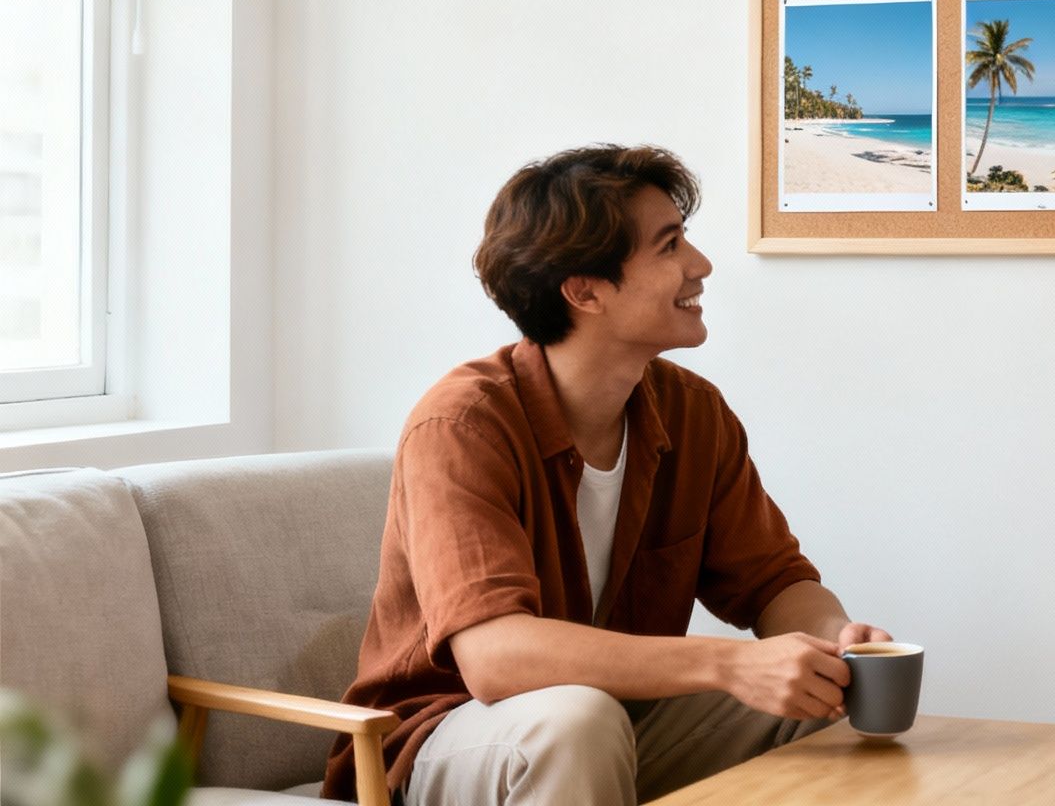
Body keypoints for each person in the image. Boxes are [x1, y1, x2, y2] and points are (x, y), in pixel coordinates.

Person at [323, 145, 891, 805]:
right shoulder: (462, 426)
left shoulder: (692, 412)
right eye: (669, 245)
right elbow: (495, 658)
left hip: (617, 717)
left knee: (808, 705)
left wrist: (833, 644)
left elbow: (775, 582)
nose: (701, 266)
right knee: (576, 719)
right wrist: (732, 664)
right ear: (584, 289)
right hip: (445, 735)